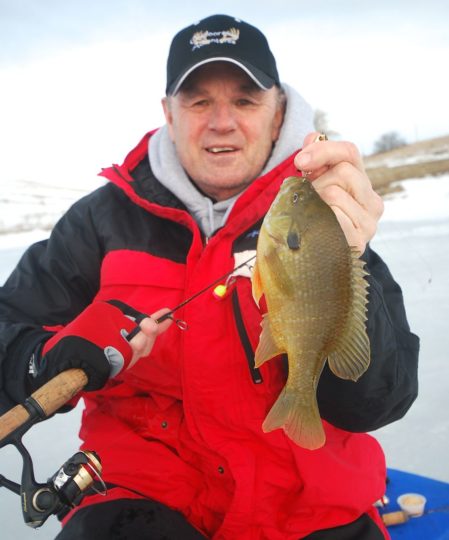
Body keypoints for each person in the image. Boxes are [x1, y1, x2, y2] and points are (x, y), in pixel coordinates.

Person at [0, 14, 419, 540]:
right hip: (139, 501)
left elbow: (379, 401)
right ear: (168, 114)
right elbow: (8, 321)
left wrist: (351, 255)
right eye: (199, 101)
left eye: (245, 100)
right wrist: (43, 358)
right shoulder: (99, 223)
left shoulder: (325, 214)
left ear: (279, 111)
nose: (222, 121)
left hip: (312, 510)